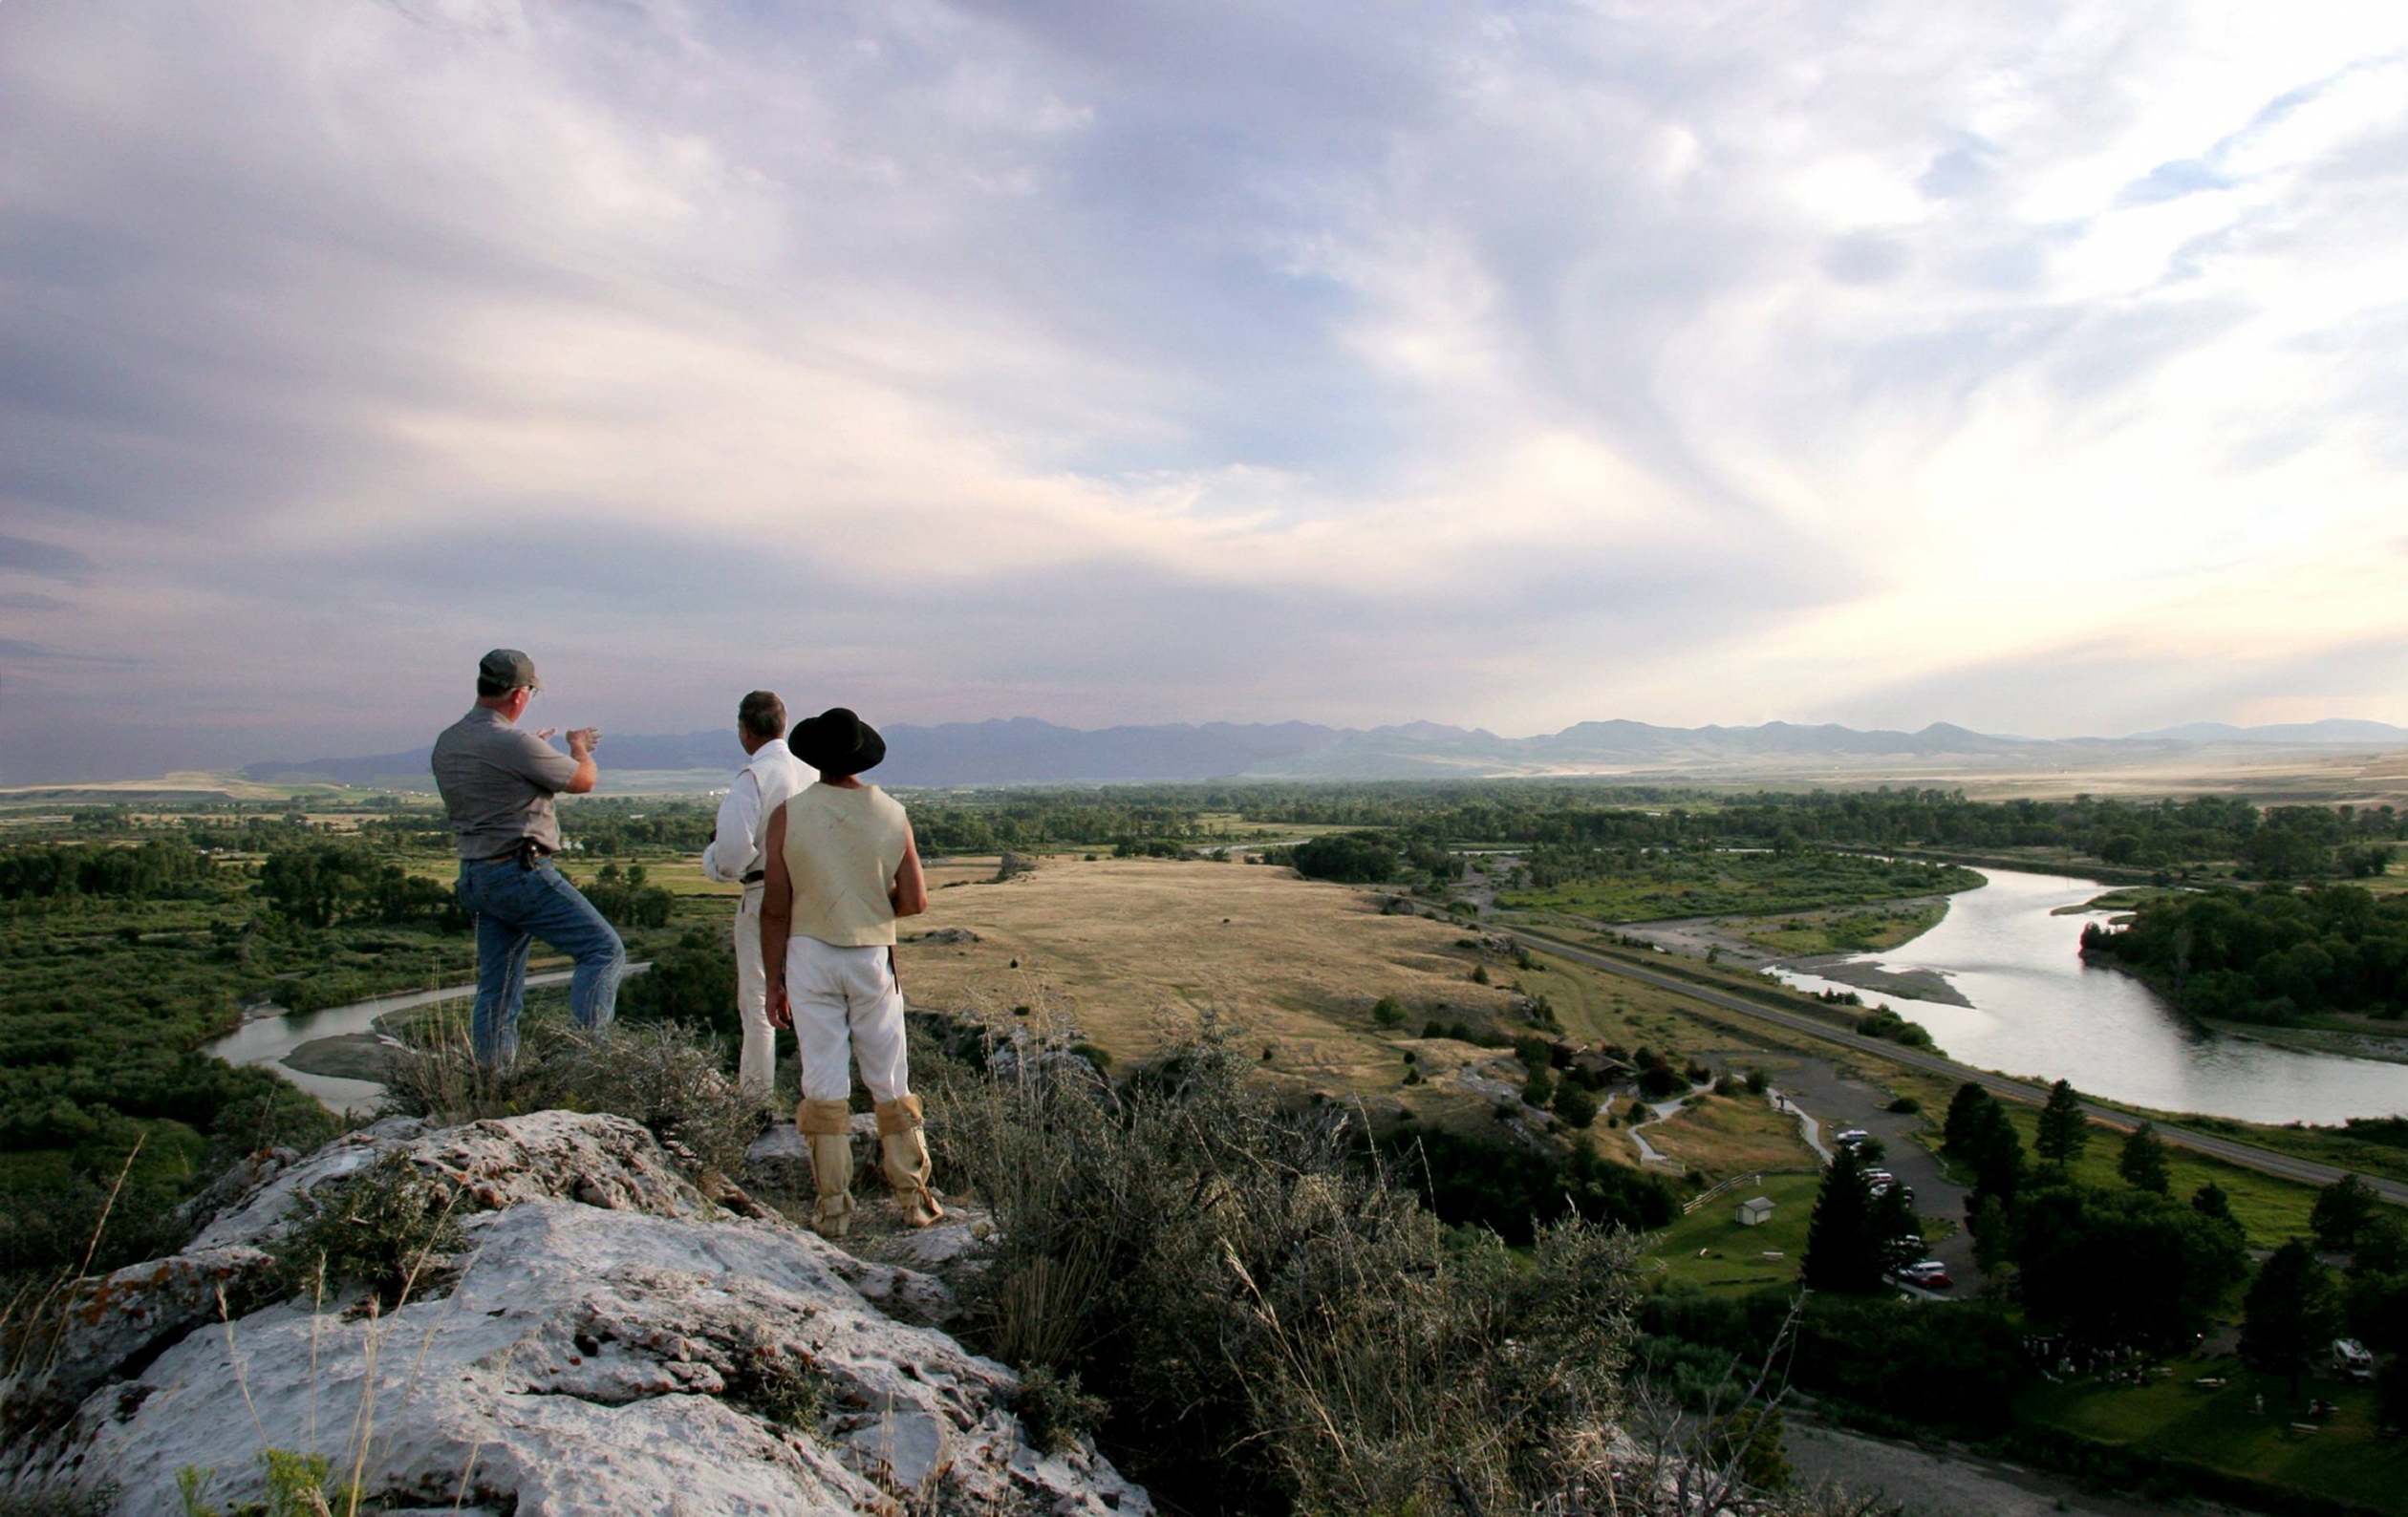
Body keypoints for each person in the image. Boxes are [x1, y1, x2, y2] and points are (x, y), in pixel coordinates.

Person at [759, 707, 938, 1236]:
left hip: (809, 953)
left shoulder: (789, 815)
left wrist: (774, 979)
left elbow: (775, 906)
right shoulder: (891, 813)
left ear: (814, 757)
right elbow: (915, 901)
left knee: (823, 1077)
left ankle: (834, 1209)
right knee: (888, 1075)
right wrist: (869, 905)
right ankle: (915, 1198)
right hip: (870, 954)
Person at [430, 649, 628, 1065]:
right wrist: (579, 747)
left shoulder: (450, 741)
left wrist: (529, 750)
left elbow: (495, 787)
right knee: (603, 951)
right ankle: (586, 1067)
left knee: (497, 987)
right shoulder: (511, 742)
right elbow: (583, 780)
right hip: (519, 871)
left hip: (476, 875)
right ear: (520, 695)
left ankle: (492, 1079)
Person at [699, 690, 807, 1100]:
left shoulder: (754, 777)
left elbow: (730, 858)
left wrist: (711, 855)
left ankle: (756, 1102)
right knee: (811, 996)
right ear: (784, 724)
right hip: (811, 893)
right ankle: (821, 1098)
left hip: (763, 892)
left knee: (760, 1003)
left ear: (744, 731)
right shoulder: (810, 772)